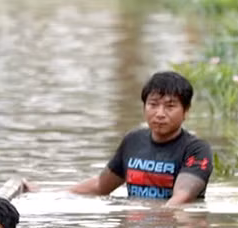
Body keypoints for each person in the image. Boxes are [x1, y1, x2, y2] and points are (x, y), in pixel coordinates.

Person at [70, 71, 213, 207]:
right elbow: (100, 186)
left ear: (186, 111)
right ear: (144, 107)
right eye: (153, 104)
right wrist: (63, 196)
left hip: (174, 222)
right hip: (134, 221)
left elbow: (181, 198)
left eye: (170, 106)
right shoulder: (133, 141)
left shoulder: (196, 149)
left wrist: (157, 218)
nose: (160, 114)